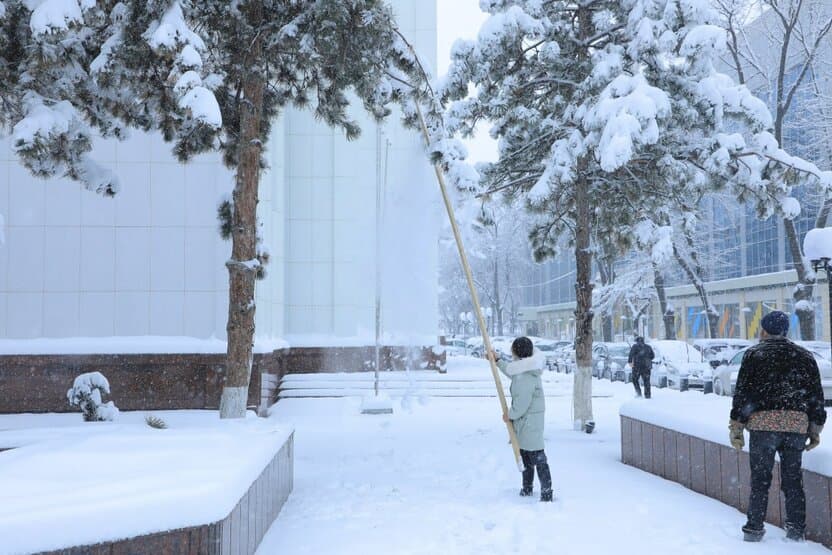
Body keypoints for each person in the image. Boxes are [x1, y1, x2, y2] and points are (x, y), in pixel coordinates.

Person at [728, 310, 826, 542]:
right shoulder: (804, 356)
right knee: (793, 480)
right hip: (795, 426)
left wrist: (737, 426)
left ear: (764, 330)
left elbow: (743, 393)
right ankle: (796, 529)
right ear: (785, 331)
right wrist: (815, 429)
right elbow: (816, 396)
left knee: (760, 480)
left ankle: (753, 528)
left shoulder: (754, 355)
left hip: (762, 426)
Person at [493, 336, 553, 502]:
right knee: (526, 456)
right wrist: (497, 361)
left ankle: (546, 492)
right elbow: (512, 371)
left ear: (517, 352)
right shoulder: (525, 369)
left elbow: (522, 403)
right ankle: (527, 488)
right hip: (527, 422)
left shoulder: (525, 376)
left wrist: (509, 415)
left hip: (529, 423)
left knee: (537, 457)